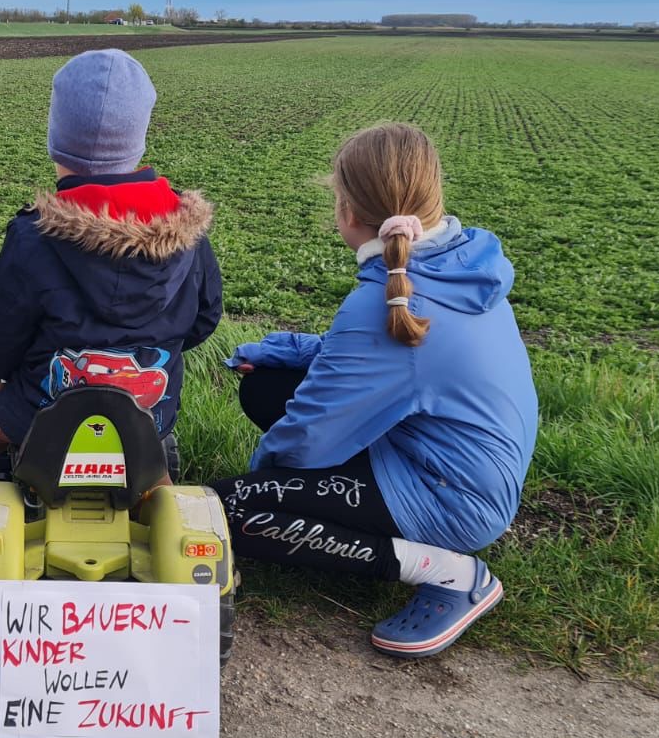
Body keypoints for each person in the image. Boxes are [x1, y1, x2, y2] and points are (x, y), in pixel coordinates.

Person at [0, 48, 223, 611]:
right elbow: (204, 319)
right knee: (156, 464)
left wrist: (14, 371)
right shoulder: (188, 235)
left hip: (37, 411)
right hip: (147, 418)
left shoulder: (34, 236)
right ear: (141, 135)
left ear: (58, 138)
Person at [214, 122, 536, 658]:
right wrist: (289, 350)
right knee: (267, 388)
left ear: (346, 210)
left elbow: (306, 440)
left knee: (231, 514)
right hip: (452, 460)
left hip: (452, 499)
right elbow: (380, 358)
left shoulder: (385, 303)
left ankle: (453, 574)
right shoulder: (458, 263)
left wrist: (261, 482)